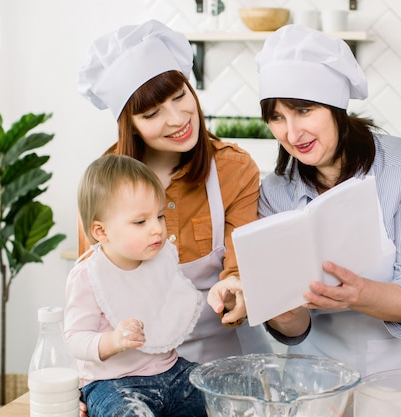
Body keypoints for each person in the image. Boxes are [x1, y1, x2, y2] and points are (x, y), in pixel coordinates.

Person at [210, 24, 401, 401]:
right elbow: (293, 327)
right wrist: (279, 309)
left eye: (303, 110)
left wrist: (357, 295)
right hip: (317, 377)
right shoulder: (275, 193)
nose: (292, 133)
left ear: (337, 107)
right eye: (277, 118)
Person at [76, 19, 271, 366]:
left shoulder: (233, 169)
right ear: (130, 124)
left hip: (224, 362)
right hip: (135, 368)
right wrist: (86, 385)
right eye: (152, 113)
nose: (177, 118)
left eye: (180, 96)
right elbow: (89, 293)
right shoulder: (101, 184)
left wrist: (237, 289)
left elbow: (241, 264)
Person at [64, 154, 206, 417]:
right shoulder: (88, 276)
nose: (157, 229)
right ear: (101, 231)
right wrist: (113, 341)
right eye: (141, 222)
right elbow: (74, 338)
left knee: (213, 393)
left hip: (171, 371)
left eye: (160, 216)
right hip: (113, 383)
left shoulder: (161, 260)